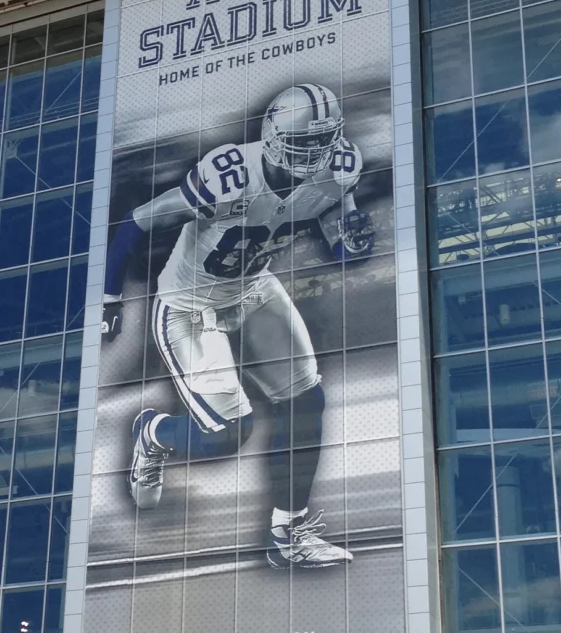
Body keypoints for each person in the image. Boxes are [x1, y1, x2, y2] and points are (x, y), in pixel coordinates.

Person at [101, 83, 374, 569]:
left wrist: (352, 242)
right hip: (190, 304)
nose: (315, 155)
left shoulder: (338, 171)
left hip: (253, 288)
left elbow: (341, 244)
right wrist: (108, 298)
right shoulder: (228, 177)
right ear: (271, 137)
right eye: (303, 143)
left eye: (323, 141)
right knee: (229, 434)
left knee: (307, 400)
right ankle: (154, 433)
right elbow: (135, 223)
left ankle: (290, 533)